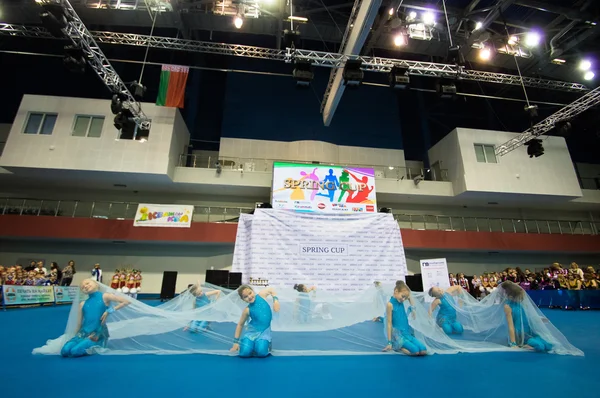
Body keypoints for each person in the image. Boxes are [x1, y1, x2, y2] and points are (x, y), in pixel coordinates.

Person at [60, 279, 130, 358]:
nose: (85, 286)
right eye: (83, 287)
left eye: (87, 283)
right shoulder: (83, 304)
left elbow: (126, 302)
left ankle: (95, 344)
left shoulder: (105, 296)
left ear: (96, 284)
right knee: (64, 351)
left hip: (97, 333)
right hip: (83, 333)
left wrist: (109, 311)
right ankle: (80, 342)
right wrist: (76, 336)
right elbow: (79, 323)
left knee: (75, 351)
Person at [500, 281, 552, 353]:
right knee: (539, 346)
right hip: (520, 333)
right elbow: (510, 326)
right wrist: (513, 343)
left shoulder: (520, 304)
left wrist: (539, 319)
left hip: (528, 330)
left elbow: (527, 316)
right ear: (512, 296)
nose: (523, 298)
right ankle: (526, 344)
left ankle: (529, 343)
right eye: (520, 297)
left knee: (548, 344)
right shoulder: (508, 306)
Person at [230, 285, 280, 358]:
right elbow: (240, 324)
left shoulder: (261, 295)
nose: (249, 297)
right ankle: (250, 344)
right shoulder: (247, 310)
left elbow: (271, 289)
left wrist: (275, 300)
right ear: (243, 299)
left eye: (250, 293)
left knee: (261, 353)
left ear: (253, 291)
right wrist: (235, 342)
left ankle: (265, 343)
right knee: (244, 353)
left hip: (264, 333)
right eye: (245, 297)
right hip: (251, 333)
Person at [383, 281, 426, 356]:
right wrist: (389, 342)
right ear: (396, 291)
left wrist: (413, 309)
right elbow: (389, 323)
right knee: (415, 352)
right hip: (399, 335)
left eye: (405, 298)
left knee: (423, 351)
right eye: (403, 296)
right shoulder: (390, 304)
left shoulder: (400, 300)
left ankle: (405, 344)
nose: (403, 299)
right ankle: (398, 347)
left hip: (407, 332)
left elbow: (409, 297)